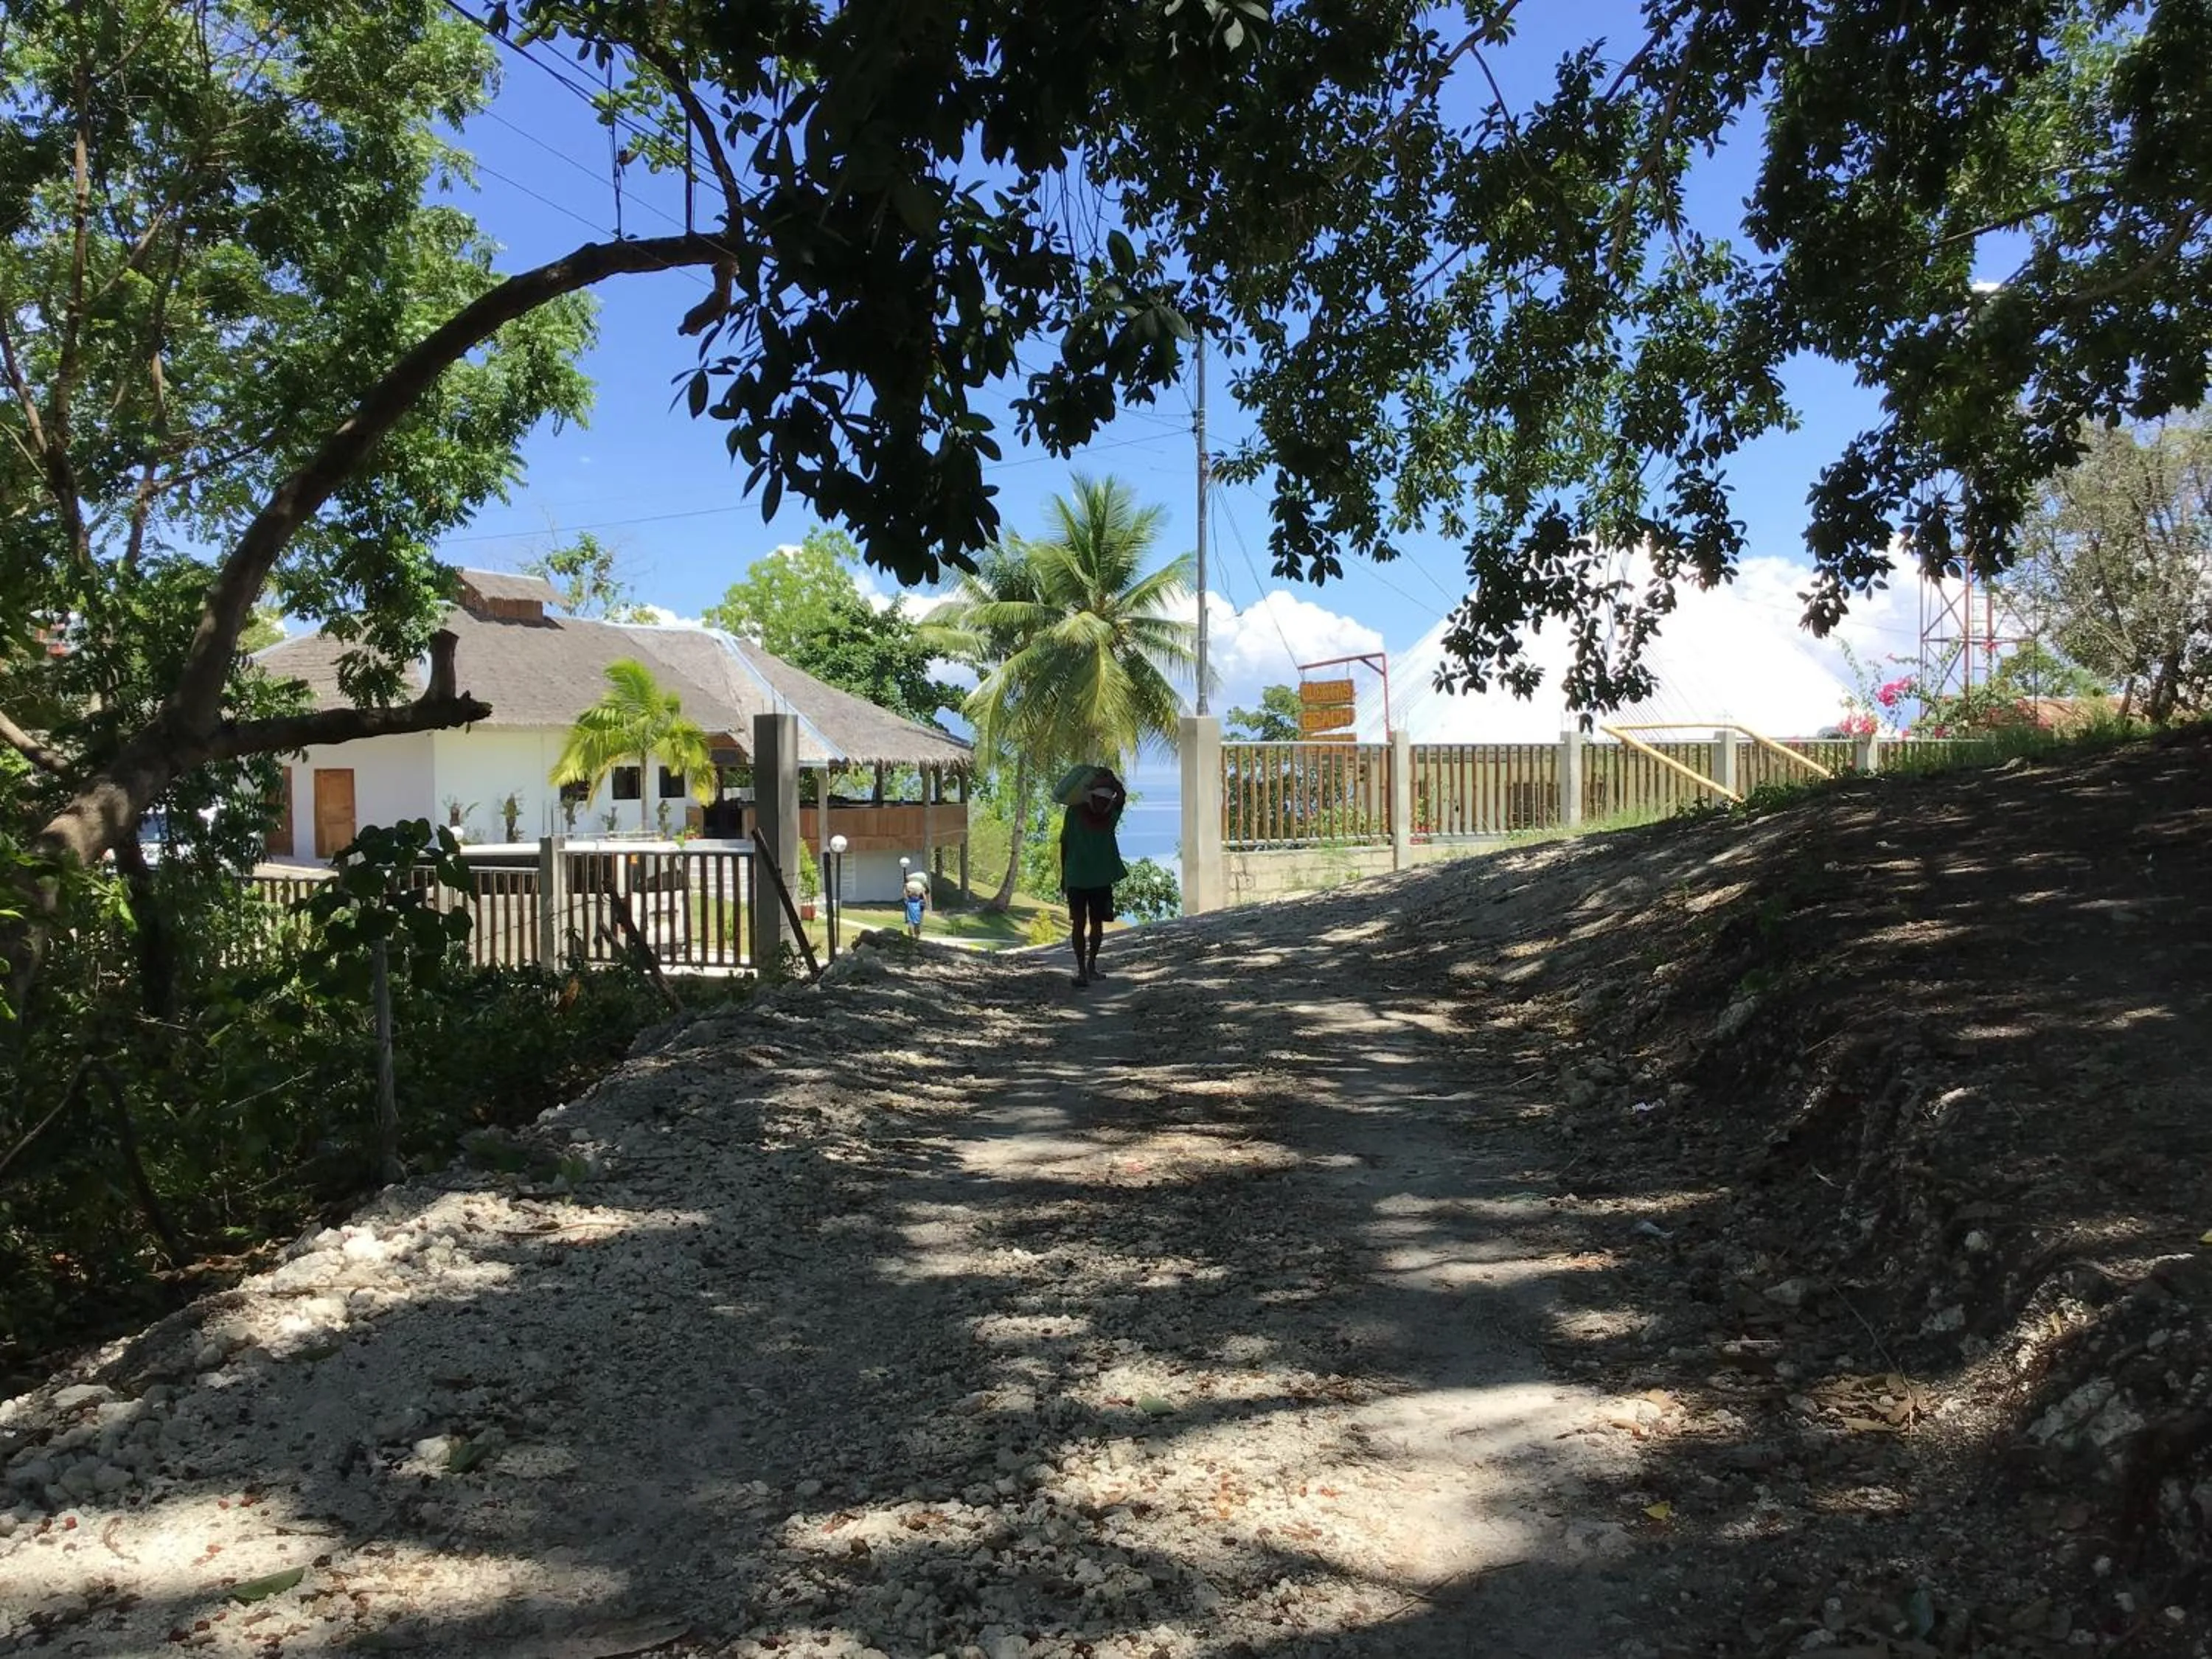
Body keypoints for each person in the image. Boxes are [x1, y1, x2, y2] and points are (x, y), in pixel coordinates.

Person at [1059, 766, 1127, 988]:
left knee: (1084, 924)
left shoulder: (1075, 812)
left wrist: (1064, 876)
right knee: (1090, 924)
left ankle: (1085, 970)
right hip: (1094, 878)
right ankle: (1087, 968)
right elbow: (1122, 797)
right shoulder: (1109, 816)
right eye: (1099, 799)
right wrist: (1112, 780)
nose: (1101, 804)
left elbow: (1065, 845)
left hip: (1079, 877)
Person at [902, 870, 928, 939]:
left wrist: (905, 887)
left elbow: (905, 895)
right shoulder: (920, 900)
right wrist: (925, 901)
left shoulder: (908, 902)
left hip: (912, 908)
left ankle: (912, 935)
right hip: (920, 908)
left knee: (910, 922)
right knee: (918, 923)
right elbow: (925, 896)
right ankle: (917, 935)